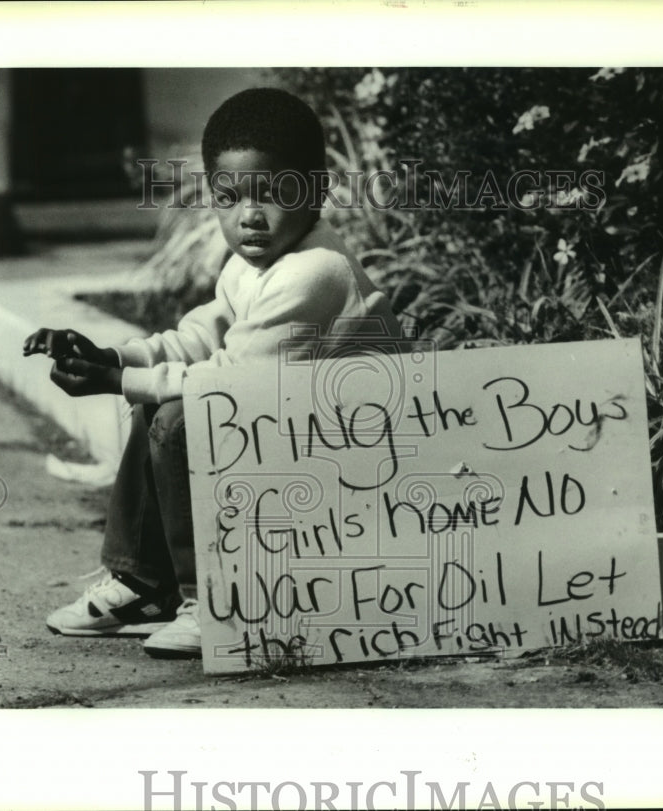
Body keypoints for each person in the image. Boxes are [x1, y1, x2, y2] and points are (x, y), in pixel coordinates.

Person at [23, 87, 403, 659]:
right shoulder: (250, 262)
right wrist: (115, 359)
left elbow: (227, 381)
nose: (249, 216)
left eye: (273, 194)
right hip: (289, 438)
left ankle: (215, 599)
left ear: (318, 191)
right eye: (228, 198)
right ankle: (145, 584)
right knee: (162, 401)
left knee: (181, 414)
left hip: (355, 467)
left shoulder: (317, 272)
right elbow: (200, 337)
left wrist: (119, 383)